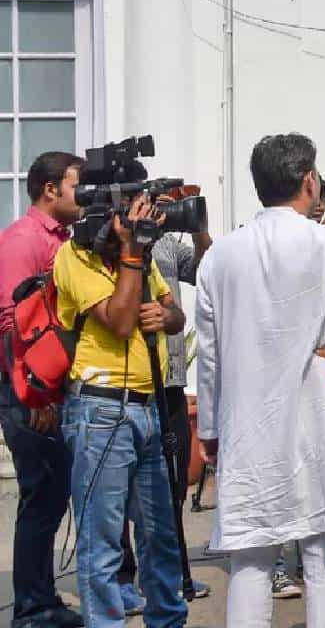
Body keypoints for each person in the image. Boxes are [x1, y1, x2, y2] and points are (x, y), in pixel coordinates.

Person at [196, 133, 325, 627]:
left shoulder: (221, 255)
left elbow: (209, 355)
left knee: (250, 562)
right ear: (310, 181)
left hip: (248, 428)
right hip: (318, 422)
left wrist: (209, 427)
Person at [53, 192, 188, 628]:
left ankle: (167, 619)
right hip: (100, 410)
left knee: (160, 533)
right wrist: (131, 253)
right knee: (103, 542)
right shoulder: (74, 257)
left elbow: (175, 314)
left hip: (150, 408)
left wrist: (166, 318)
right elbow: (121, 321)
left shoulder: (141, 256)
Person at [115, 208, 216, 614]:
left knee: (170, 485)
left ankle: (164, 576)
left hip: (170, 377)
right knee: (121, 490)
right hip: (128, 380)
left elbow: (204, 272)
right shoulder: (110, 239)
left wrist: (200, 227)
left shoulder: (167, 242)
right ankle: (123, 578)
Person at [0, 152, 85, 628]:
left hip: (51, 389)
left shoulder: (63, 241)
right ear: (50, 189)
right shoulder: (22, 240)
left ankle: (42, 597)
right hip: (29, 391)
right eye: (77, 185)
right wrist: (36, 396)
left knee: (52, 496)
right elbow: (12, 325)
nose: (84, 194)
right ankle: (32, 610)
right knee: (41, 496)